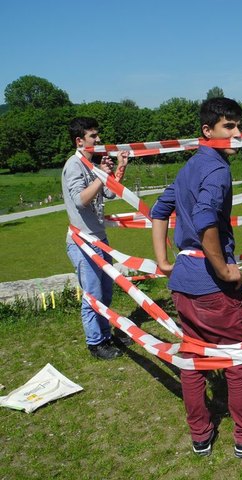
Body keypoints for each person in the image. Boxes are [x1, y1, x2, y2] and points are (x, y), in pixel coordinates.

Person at [150, 98, 242, 459]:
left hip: (182, 281)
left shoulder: (189, 167)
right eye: (228, 126)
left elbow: (159, 210)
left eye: (238, 126)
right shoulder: (216, 169)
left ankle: (201, 436)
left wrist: (164, 261)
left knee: (194, 360)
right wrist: (223, 269)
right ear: (207, 131)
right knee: (236, 360)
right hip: (211, 286)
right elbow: (204, 218)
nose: (237, 133)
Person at [62, 117, 129, 360]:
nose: (98, 140)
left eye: (97, 135)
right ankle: (95, 344)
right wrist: (101, 175)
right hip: (82, 243)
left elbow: (110, 192)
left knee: (106, 293)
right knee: (93, 295)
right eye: (93, 136)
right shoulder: (74, 165)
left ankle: (105, 335)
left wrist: (120, 167)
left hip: (99, 239)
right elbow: (80, 199)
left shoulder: (91, 166)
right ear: (80, 141)